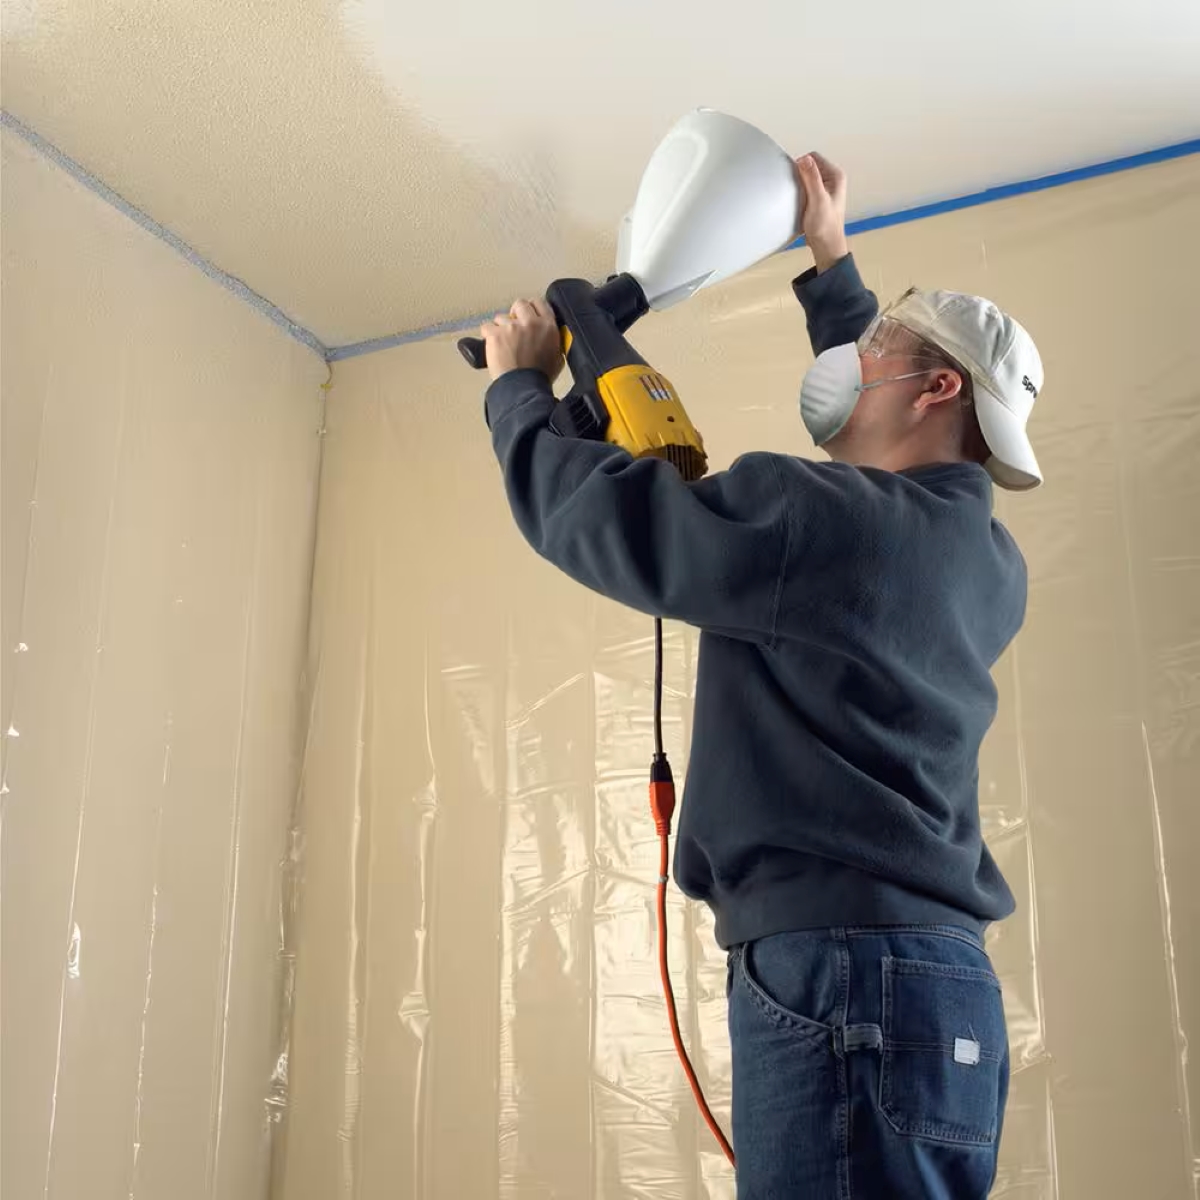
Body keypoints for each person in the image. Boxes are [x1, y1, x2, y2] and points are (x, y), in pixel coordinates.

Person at [478, 151, 1042, 1199]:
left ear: (939, 387)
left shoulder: (820, 520)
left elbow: (614, 523)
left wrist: (519, 391)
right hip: (934, 988)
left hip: (843, 976)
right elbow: (877, 454)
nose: (847, 362)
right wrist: (831, 262)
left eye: (874, 350)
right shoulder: (985, 564)